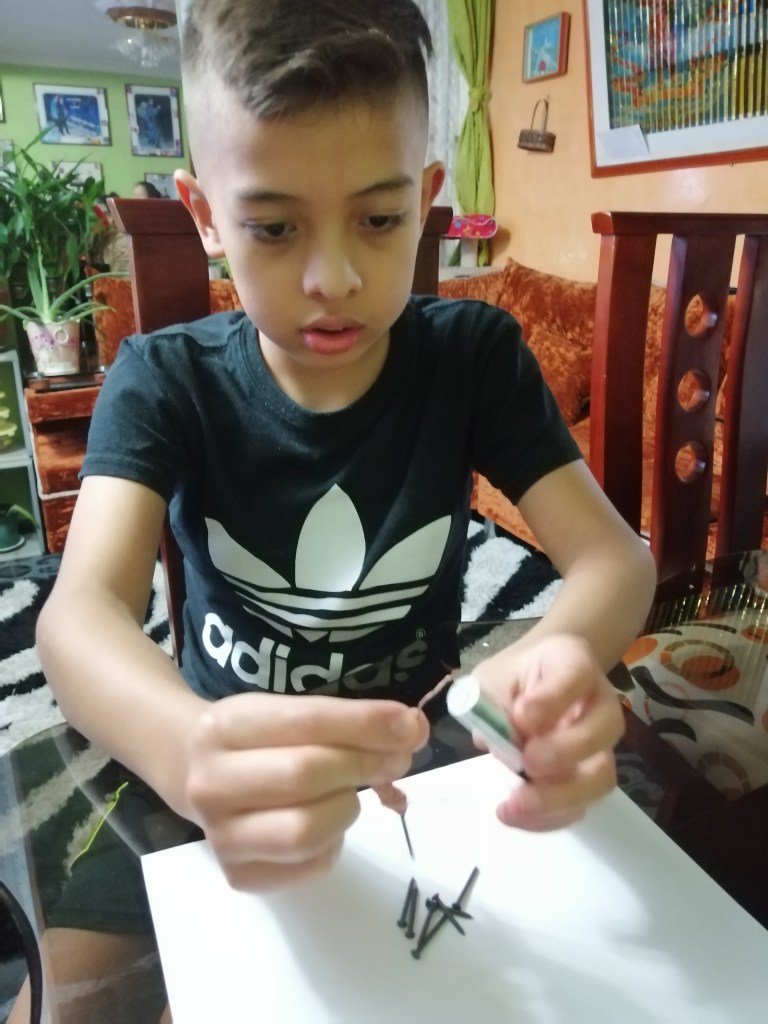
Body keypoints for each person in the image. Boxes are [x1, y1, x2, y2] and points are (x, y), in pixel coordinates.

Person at [13, 0, 656, 1019]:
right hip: (214, 765)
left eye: (379, 219)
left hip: (423, 766)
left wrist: (557, 655)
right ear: (205, 215)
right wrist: (183, 747)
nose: (335, 278)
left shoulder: (475, 360)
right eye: (273, 227)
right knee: (73, 999)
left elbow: (617, 560)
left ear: (428, 200)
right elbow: (80, 611)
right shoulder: (162, 378)